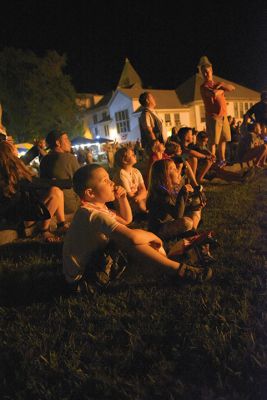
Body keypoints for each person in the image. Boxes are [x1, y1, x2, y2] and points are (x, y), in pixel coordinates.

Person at [63, 164, 212, 290]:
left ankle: (171, 264)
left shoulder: (95, 208)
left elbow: (126, 219)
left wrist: (122, 199)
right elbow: (132, 237)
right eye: (105, 181)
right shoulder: (92, 214)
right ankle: (178, 270)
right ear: (90, 193)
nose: (111, 182)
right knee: (129, 240)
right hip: (84, 281)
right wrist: (154, 236)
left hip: (92, 267)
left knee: (130, 239)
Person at [0, 141, 69, 242]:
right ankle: (43, 231)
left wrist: (36, 148)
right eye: (13, 147)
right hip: (17, 221)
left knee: (55, 190)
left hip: (16, 215)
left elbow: (25, 161)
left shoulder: (7, 170)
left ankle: (61, 225)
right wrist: (72, 182)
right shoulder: (12, 175)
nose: (16, 148)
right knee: (55, 191)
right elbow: (36, 183)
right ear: (9, 153)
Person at [199, 56, 235, 168]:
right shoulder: (203, 86)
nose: (205, 74)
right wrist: (221, 89)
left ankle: (222, 160)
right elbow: (213, 94)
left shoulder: (218, 83)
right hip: (213, 117)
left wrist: (222, 85)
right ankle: (212, 162)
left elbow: (232, 88)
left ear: (211, 71)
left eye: (207, 71)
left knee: (223, 139)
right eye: (203, 72)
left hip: (223, 116)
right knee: (213, 141)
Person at [40, 129, 80, 216]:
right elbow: (81, 180)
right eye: (66, 139)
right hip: (70, 204)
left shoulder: (44, 160)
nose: (69, 142)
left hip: (51, 204)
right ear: (58, 143)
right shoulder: (70, 158)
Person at [113, 147, 147, 214]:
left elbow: (143, 189)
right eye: (131, 154)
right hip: (127, 204)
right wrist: (140, 197)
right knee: (141, 202)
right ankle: (146, 215)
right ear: (124, 160)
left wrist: (140, 196)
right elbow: (129, 196)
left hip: (137, 198)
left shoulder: (136, 171)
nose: (134, 155)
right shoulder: (121, 175)